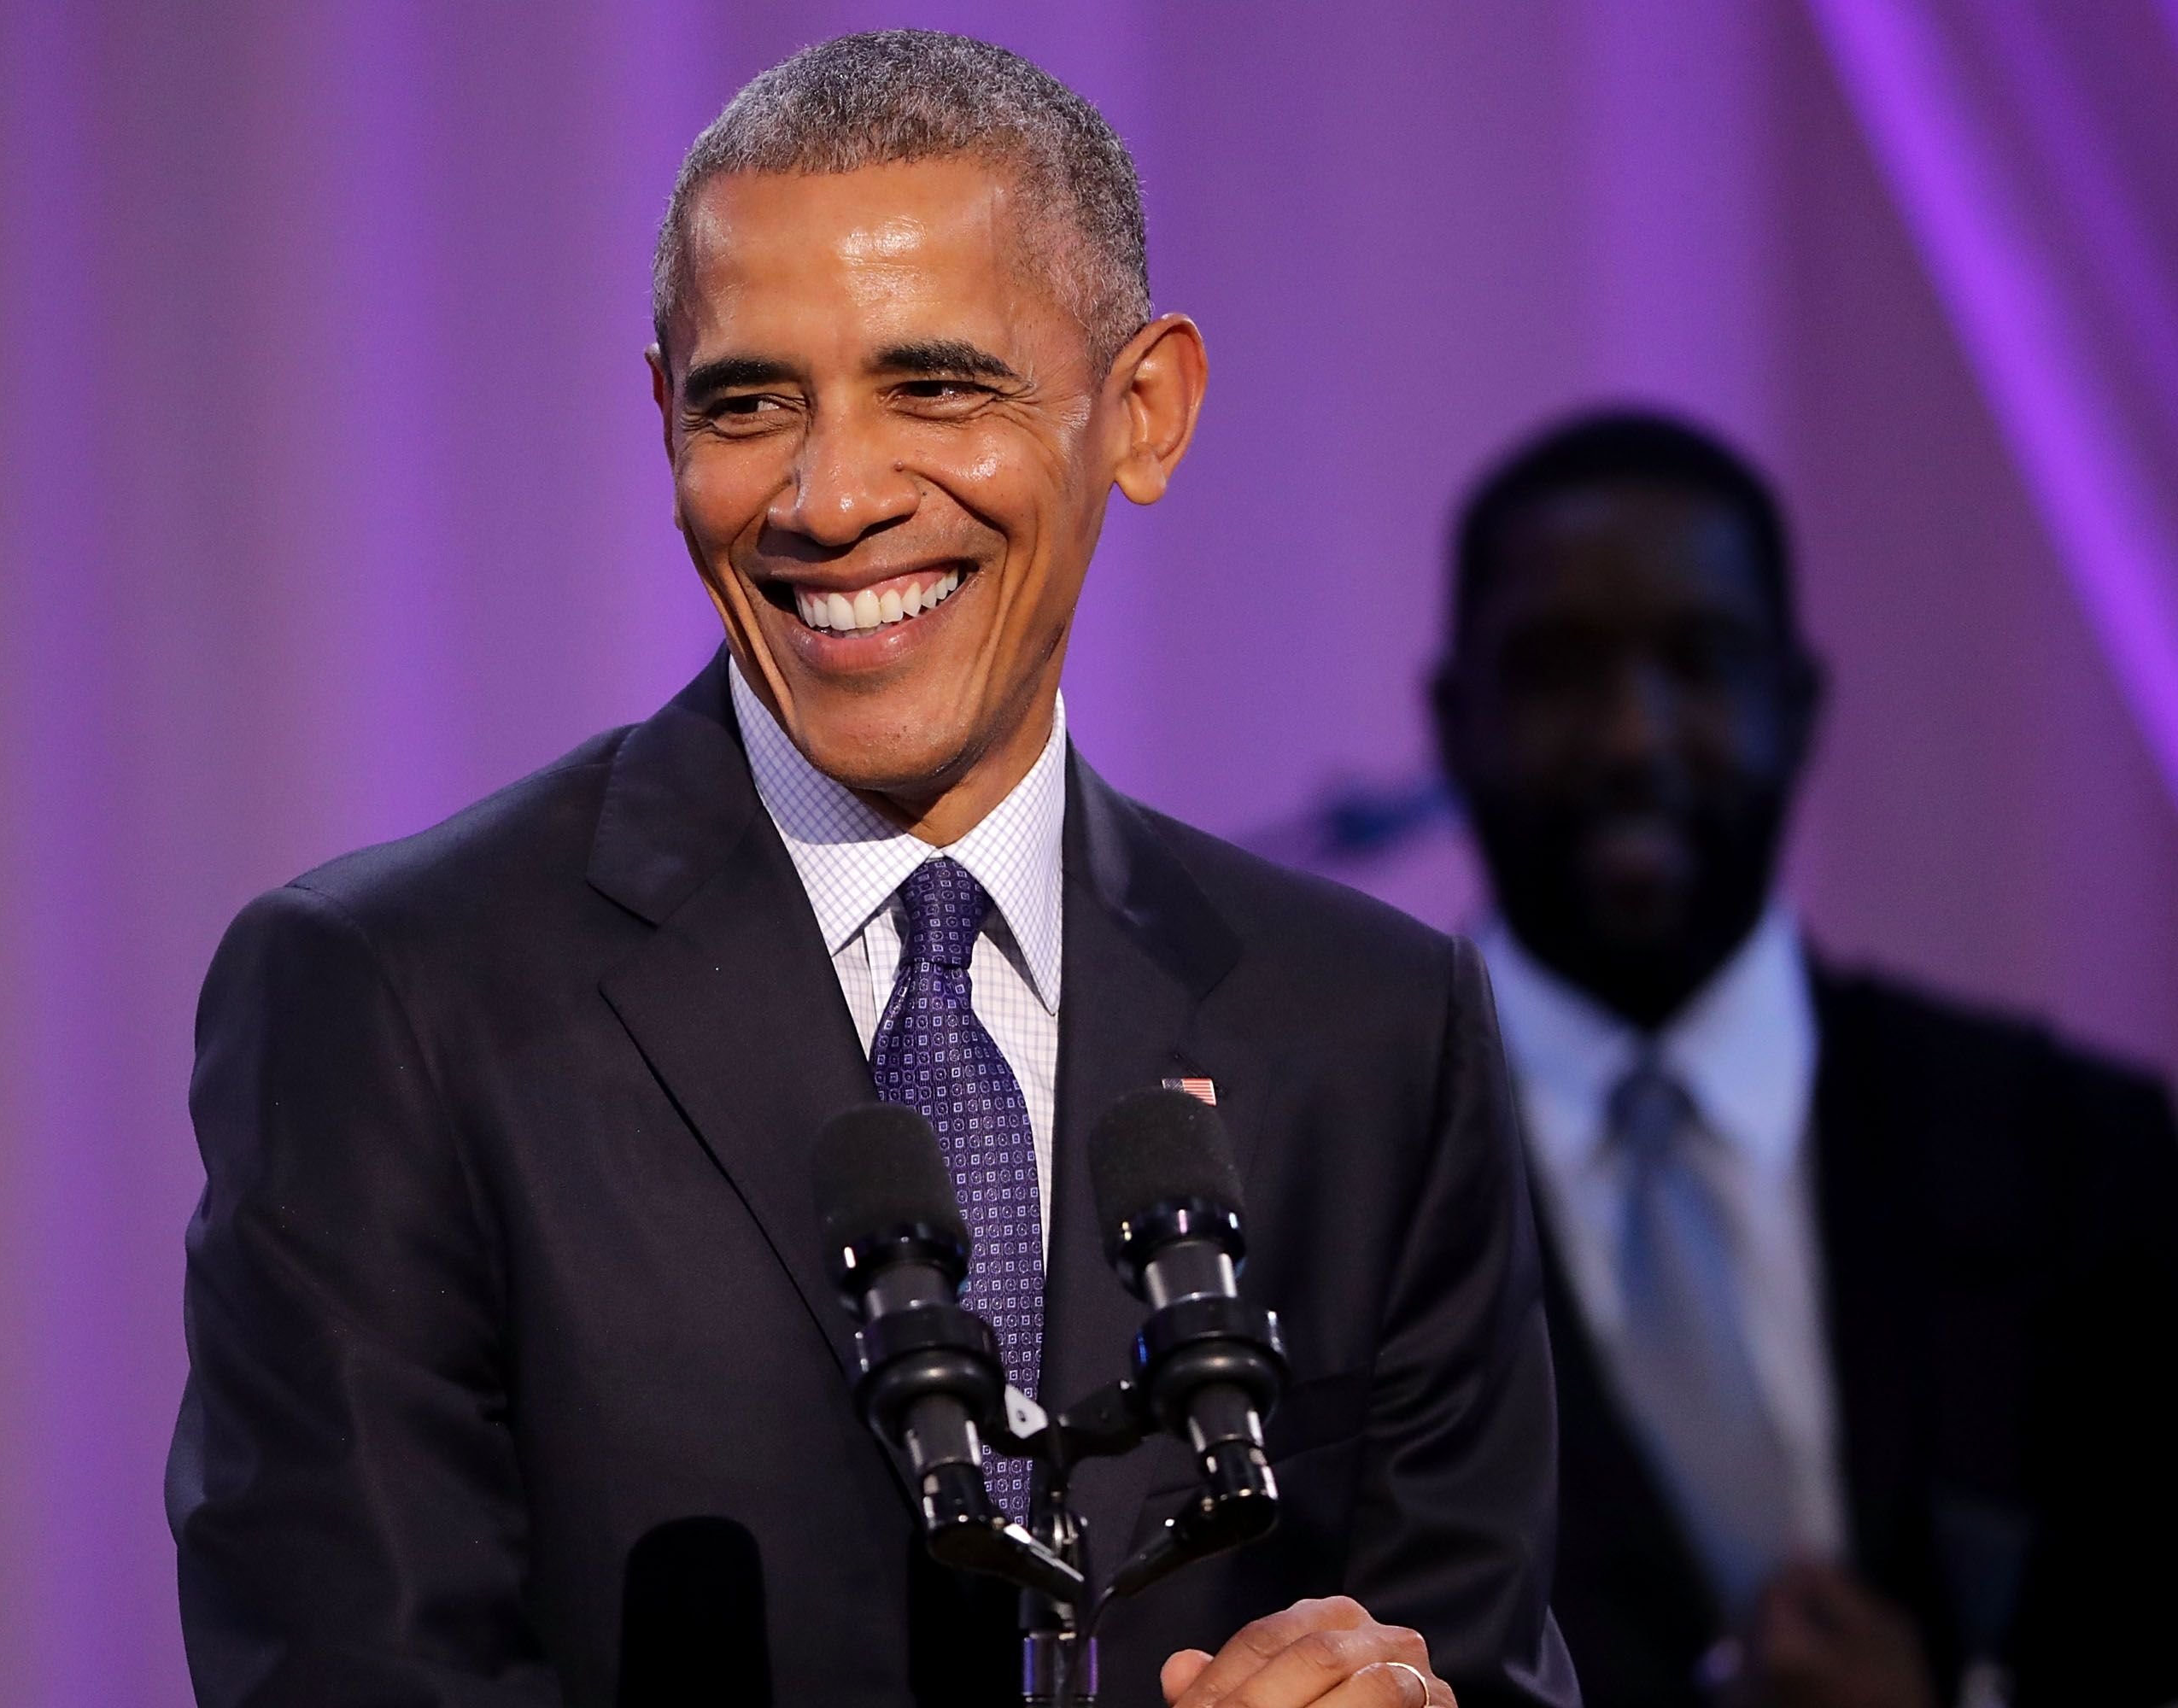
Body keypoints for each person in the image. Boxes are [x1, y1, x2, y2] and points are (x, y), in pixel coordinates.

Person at [168, 31, 1579, 1708]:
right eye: (751, 402)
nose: (830, 498)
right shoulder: (390, 1002)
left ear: (1143, 409)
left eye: (936, 386)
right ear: (661, 423)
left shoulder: (1371, 1029)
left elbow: (1485, 1662)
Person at [1432, 409, 2178, 1708]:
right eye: (1559, 671)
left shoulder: (2083, 1162)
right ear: (1454, 723)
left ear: (1800, 705)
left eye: (1701, 663)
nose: (1632, 738)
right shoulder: (1326, 1175)